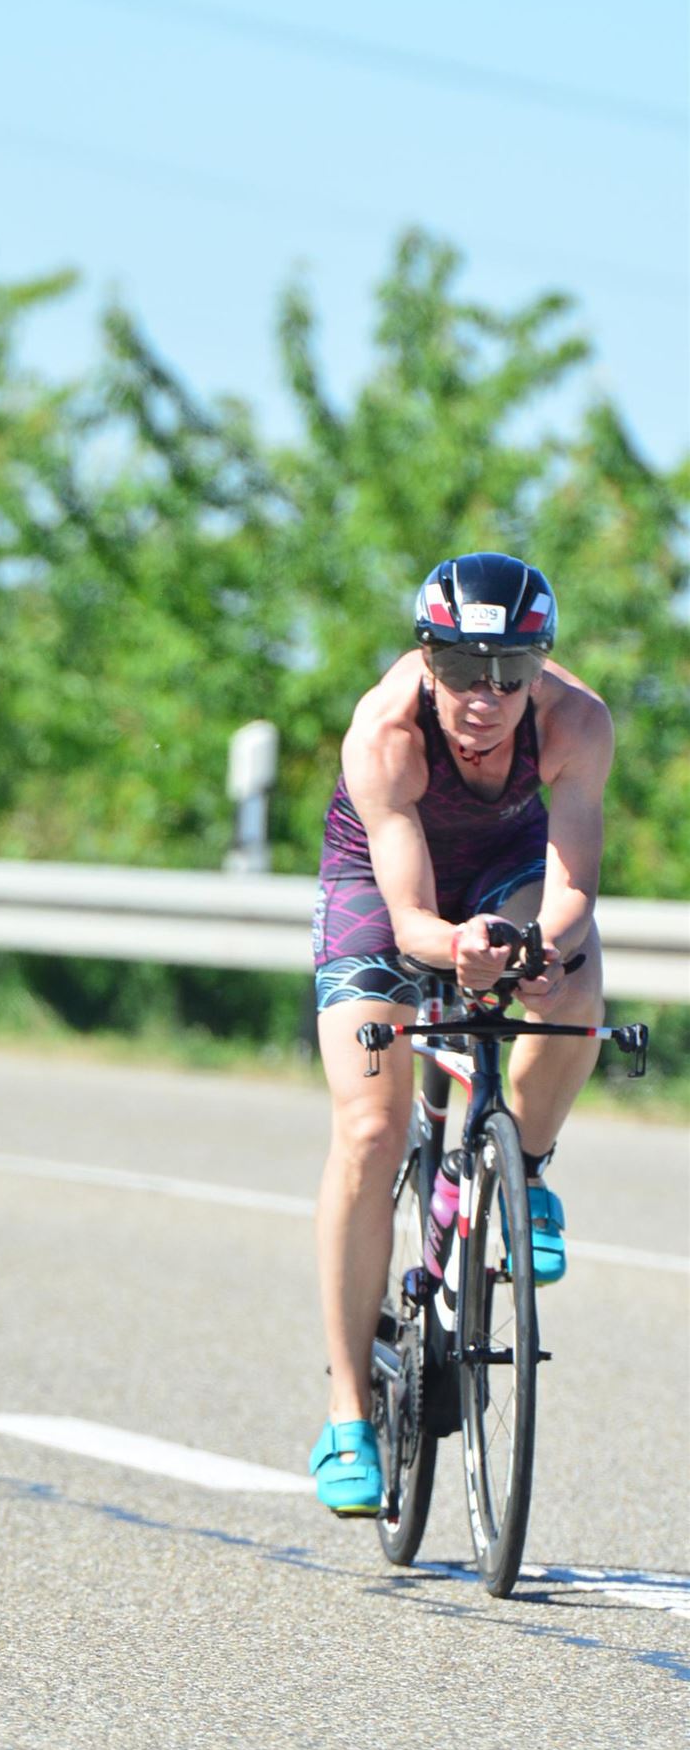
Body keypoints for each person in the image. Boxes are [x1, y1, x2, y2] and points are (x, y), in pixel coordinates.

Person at [307, 552, 613, 1516]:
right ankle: (346, 1414)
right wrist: (455, 949)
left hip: (505, 867)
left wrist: (535, 946)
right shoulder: (386, 732)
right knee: (368, 1129)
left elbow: (572, 888)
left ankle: (526, 1169)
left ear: (539, 666)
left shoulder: (575, 723)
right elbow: (409, 923)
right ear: (426, 658)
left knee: (574, 975)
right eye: (460, 669)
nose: (485, 697)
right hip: (380, 883)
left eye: (510, 673)